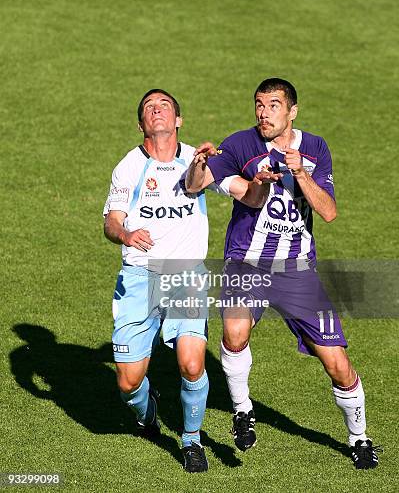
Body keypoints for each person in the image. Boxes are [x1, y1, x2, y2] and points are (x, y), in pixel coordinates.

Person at [185, 77, 380, 469]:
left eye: (273, 105)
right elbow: (194, 186)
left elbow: (328, 212)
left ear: (292, 111)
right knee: (234, 332)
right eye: (259, 104)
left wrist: (301, 174)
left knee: (337, 365)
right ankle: (242, 411)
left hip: (298, 271)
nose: (263, 112)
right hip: (248, 262)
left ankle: (359, 438)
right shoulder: (241, 143)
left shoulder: (315, 149)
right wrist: (199, 163)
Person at [103, 88, 263, 473]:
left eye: (164, 106)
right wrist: (125, 235)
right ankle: (147, 412)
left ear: (178, 120)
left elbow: (249, 196)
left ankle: (191, 441)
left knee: (192, 365)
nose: (156, 111)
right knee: (128, 383)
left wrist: (261, 181)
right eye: (148, 108)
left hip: (186, 276)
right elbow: (111, 221)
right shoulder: (128, 167)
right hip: (139, 276)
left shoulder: (199, 160)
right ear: (141, 123)